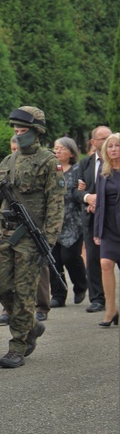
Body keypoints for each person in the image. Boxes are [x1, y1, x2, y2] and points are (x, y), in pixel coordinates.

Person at [0, 106, 65, 369]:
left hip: (31, 237)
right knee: (0, 286)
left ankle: (18, 345)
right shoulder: (8, 161)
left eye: (23, 130)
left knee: (25, 291)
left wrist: (49, 240)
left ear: (37, 131)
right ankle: (31, 325)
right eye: (16, 130)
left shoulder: (49, 162)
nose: (18, 134)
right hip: (4, 234)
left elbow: (55, 204)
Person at [76, 125, 113, 313]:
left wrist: (100, 202)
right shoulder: (85, 164)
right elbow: (74, 190)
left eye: (110, 137)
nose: (108, 141)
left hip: (114, 218)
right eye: (103, 138)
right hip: (91, 220)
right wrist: (87, 198)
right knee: (93, 259)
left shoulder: (116, 163)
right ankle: (98, 298)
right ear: (93, 142)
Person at [49, 137, 88, 307]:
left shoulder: (78, 169)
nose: (57, 151)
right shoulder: (50, 169)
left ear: (71, 153)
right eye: (56, 148)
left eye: (62, 149)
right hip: (52, 221)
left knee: (69, 256)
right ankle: (58, 295)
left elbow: (82, 190)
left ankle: (80, 285)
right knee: (52, 259)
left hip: (73, 221)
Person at [92, 132, 120, 326]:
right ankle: (110, 310)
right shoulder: (104, 171)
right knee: (105, 264)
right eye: (110, 146)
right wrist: (97, 231)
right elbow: (99, 203)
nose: (113, 149)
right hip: (109, 226)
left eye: (117, 146)